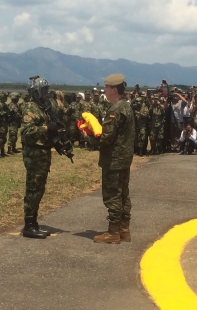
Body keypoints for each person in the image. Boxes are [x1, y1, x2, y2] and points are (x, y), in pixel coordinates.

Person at [82, 73, 135, 244]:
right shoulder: (126, 106)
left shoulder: (115, 109)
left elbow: (107, 138)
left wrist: (87, 137)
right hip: (124, 157)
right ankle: (124, 229)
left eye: (106, 87)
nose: (104, 90)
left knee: (112, 195)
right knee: (123, 194)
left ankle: (113, 232)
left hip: (114, 159)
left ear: (113, 89)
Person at [20, 76, 57, 239]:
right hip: (34, 154)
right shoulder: (30, 107)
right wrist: (46, 128)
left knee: (39, 188)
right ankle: (29, 225)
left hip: (43, 153)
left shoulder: (44, 107)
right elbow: (26, 133)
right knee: (33, 188)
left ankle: (33, 222)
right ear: (36, 92)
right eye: (44, 91)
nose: (47, 94)